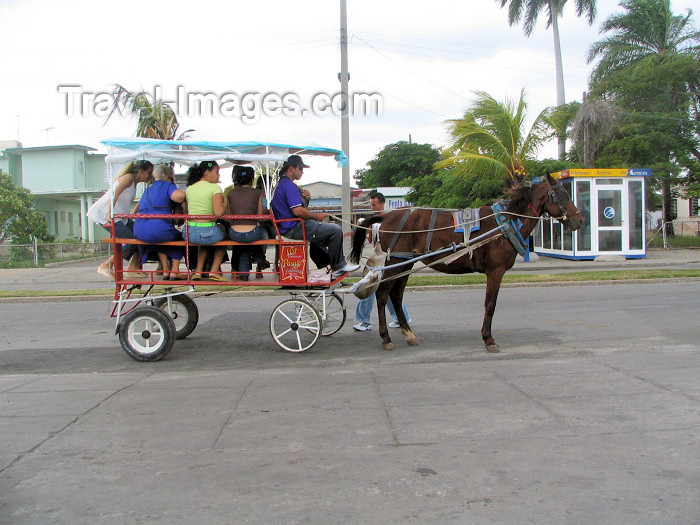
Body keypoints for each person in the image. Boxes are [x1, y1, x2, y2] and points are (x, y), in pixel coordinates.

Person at [270, 154, 358, 278]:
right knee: (335, 230)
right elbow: (297, 211)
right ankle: (338, 266)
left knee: (327, 231)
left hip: (288, 226)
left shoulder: (281, 185)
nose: (302, 172)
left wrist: (308, 201)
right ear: (291, 168)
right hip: (293, 228)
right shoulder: (290, 186)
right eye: (300, 169)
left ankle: (326, 262)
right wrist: (315, 216)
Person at [353, 192, 411, 331]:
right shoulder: (374, 220)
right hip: (378, 256)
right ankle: (400, 317)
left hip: (386, 257)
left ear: (382, 203)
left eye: (374, 204)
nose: (372, 207)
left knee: (369, 286)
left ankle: (364, 320)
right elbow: (371, 237)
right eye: (371, 204)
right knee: (387, 288)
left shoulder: (390, 219)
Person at [87, 159, 154, 278]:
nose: (150, 176)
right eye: (148, 173)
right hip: (106, 215)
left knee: (142, 234)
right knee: (132, 240)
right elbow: (114, 194)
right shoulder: (129, 178)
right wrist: (109, 213)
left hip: (121, 217)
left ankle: (133, 267)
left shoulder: (134, 183)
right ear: (141, 171)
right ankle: (106, 265)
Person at [133, 163, 187, 280]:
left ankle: (165, 270)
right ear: (168, 177)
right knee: (180, 238)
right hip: (158, 229)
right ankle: (175, 271)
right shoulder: (167, 185)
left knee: (160, 242)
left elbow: (136, 208)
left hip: (140, 230)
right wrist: (188, 193)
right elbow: (179, 197)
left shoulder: (148, 189)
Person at [184, 161, 228, 281]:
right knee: (224, 239)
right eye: (216, 172)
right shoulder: (215, 188)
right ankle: (214, 271)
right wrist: (225, 203)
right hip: (208, 232)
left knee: (205, 242)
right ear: (207, 172)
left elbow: (187, 211)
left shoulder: (189, 188)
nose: (218, 175)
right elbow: (219, 213)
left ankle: (198, 271)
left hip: (189, 233)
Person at [225, 165, 265, 281]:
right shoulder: (257, 193)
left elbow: (227, 216)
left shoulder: (230, 193)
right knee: (261, 233)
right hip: (252, 232)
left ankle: (244, 272)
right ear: (252, 180)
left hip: (234, 233)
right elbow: (260, 217)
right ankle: (259, 258)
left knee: (243, 244)